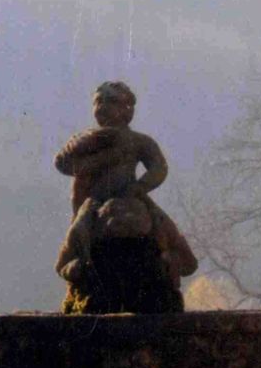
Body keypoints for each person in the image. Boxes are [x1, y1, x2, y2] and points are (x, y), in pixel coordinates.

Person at [53, 82, 197, 301]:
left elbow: (159, 167)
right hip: (96, 201)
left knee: (163, 227)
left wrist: (139, 188)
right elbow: (65, 165)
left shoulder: (139, 141)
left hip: (131, 196)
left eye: (110, 101)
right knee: (78, 230)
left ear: (127, 109)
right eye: (98, 101)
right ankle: (71, 266)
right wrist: (101, 155)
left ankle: (176, 259)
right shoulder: (88, 140)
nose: (102, 107)